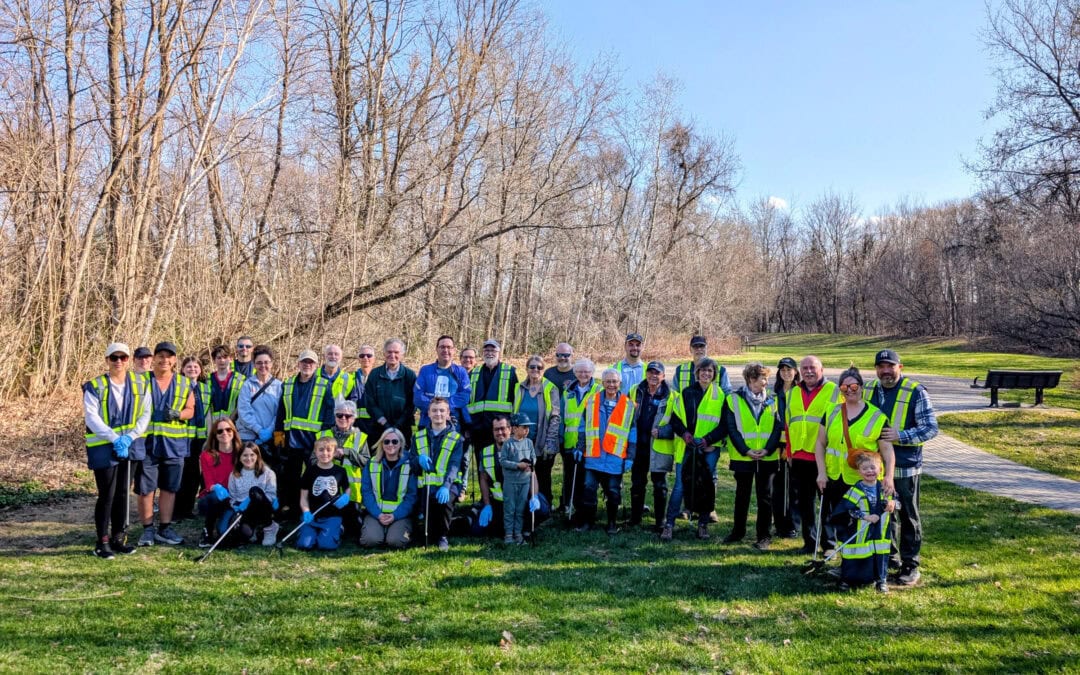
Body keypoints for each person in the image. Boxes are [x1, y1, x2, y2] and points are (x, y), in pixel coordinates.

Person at [863, 349, 936, 587]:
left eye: (890, 366)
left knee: (908, 515)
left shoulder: (915, 391)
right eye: (881, 366)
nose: (885, 371)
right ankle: (890, 557)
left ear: (900, 367)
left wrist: (901, 435)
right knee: (886, 513)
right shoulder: (869, 389)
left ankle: (910, 564)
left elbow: (930, 428)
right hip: (876, 468)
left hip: (905, 466)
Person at [814, 366, 894, 557]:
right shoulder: (832, 412)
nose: (850, 390)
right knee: (837, 517)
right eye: (844, 387)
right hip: (835, 475)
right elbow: (820, 443)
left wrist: (889, 476)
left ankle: (859, 561)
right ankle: (835, 551)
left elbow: (887, 451)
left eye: (854, 386)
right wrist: (821, 472)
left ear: (861, 387)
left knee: (858, 521)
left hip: (863, 480)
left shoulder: (877, 416)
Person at [83, 342, 151, 559]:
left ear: (129, 360)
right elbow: (91, 417)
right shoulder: (95, 386)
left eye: (123, 357)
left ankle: (118, 538)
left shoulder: (141, 383)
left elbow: (145, 413)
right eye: (114, 358)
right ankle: (101, 541)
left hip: (130, 444)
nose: (119, 361)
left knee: (123, 493)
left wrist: (130, 437)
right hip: (104, 446)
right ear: (107, 361)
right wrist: (114, 438)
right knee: (107, 494)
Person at [135, 342, 195, 547]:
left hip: (174, 444)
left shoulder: (184, 383)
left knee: (170, 488)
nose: (164, 360)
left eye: (169, 356)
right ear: (153, 358)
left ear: (175, 360)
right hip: (146, 444)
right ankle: (147, 530)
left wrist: (178, 414)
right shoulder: (140, 381)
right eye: (160, 356)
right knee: (146, 488)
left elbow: (191, 410)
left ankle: (165, 528)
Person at [722, 362, 782, 550]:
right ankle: (738, 531)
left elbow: (777, 428)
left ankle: (763, 536)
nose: (766, 382)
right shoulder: (733, 399)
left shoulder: (774, 399)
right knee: (742, 496)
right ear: (750, 379)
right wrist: (745, 450)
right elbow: (731, 428)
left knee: (765, 498)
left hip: (767, 458)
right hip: (743, 457)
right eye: (763, 378)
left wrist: (768, 450)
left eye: (767, 378)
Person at [786, 355, 841, 555]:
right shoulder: (793, 392)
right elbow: (788, 422)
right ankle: (809, 542)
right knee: (805, 503)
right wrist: (790, 451)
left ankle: (829, 545)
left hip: (822, 457)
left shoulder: (834, 391)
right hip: (799, 457)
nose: (808, 371)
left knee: (826, 502)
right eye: (805, 368)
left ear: (822, 370)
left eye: (813, 368)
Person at [668, 358, 727, 540]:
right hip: (687, 447)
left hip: (709, 449)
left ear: (714, 374)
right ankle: (669, 524)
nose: (706, 374)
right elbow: (675, 419)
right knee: (679, 486)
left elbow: (725, 425)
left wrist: (709, 440)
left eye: (710, 371)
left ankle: (703, 524)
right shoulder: (687, 393)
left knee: (706, 486)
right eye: (703, 370)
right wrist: (685, 434)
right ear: (697, 373)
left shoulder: (720, 395)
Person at [574, 368, 636, 534]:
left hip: (615, 457)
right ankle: (588, 522)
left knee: (613, 492)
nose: (611, 385)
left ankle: (611, 524)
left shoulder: (629, 405)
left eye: (614, 382)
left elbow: (632, 433)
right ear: (602, 383)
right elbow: (582, 427)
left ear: (620, 384)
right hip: (594, 456)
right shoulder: (592, 401)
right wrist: (580, 447)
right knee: (588, 488)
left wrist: (630, 456)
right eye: (608, 381)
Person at [276, 349, 335, 512]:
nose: (307, 365)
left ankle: (315, 508)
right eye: (304, 362)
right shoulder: (287, 384)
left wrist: (323, 444)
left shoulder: (325, 385)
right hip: (290, 441)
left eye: (311, 362)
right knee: (291, 478)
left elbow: (329, 416)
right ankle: (294, 509)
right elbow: (280, 416)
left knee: (314, 477)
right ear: (298, 364)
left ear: (316, 365)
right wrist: (278, 442)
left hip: (313, 442)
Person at [830, 451, 896, 593]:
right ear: (859, 472)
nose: (869, 471)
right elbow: (847, 509)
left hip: (880, 533)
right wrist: (864, 517)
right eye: (865, 469)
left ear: (880, 469)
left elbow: (899, 502)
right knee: (854, 555)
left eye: (873, 467)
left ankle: (881, 580)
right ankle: (847, 579)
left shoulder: (885, 489)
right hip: (860, 531)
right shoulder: (855, 490)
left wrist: (893, 504)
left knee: (880, 556)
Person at [628, 361, 676, 530]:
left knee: (660, 485)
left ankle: (660, 522)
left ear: (663, 376)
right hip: (638, 445)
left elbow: (678, 424)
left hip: (659, 447)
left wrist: (663, 432)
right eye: (650, 372)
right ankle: (635, 519)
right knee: (637, 483)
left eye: (657, 373)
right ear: (646, 374)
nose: (653, 376)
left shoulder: (672, 396)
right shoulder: (635, 391)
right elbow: (626, 415)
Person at [414, 398, 464, 551]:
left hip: (448, 486)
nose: (438, 414)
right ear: (428, 413)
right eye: (434, 410)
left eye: (442, 410)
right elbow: (410, 461)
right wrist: (418, 459)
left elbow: (454, 465)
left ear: (448, 414)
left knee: (444, 505)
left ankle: (443, 536)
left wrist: (446, 486)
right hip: (426, 485)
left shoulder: (457, 438)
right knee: (428, 525)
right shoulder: (418, 436)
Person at [512, 355, 561, 506]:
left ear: (543, 370)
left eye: (539, 367)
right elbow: (513, 413)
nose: (535, 370)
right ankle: (527, 504)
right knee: (524, 473)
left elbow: (555, 416)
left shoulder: (550, 388)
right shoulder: (519, 387)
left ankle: (545, 507)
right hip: (523, 440)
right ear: (526, 369)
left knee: (542, 475)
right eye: (532, 367)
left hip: (542, 440)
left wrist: (550, 442)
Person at [360, 427, 418, 549]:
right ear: (381, 444)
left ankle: (398, 532)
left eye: (395, 441)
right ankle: (381, 531)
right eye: (386, 442)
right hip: (376, 513)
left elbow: (411, 496)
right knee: (370, 541)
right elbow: (367, 492)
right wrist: (378, 514)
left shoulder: (410, 464)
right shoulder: (372, 463)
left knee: (396, 542)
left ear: (401, 443)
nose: (390, 444)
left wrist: (395, 515)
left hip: (400, 515)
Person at [466, 339, 518, 465]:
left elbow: (515, 400)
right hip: (478, 429)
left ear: (499, 352)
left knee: (502, 465)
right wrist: (468, 426)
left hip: (501, 429)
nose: (490, 353)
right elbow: (468, 402)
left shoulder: (510, 372)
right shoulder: (473, 373)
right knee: (482, 466)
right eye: (486, 350)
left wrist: (513, 426)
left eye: (493, 350)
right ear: (482, 353)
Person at [296, 437, 351, 550]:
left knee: (326, 546)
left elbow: (347, 488)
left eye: (328, 450)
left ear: (335, 452)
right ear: (315, 452)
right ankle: (308, 531)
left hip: (332, 516)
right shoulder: (310, 471)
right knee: (304, 545)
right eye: (321, 450)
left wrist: (346, 496)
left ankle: (337, 529)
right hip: (312, 517)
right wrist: (306, 512)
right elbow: (303, 497)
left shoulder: (340, 471)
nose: (324, 453)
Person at [561, 359, 600, 515]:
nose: (583, 374)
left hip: (589, 444)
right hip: (570, 442)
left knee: (587, 480)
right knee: (570, 477)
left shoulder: (598, 390)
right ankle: (571, 506)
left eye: (587, 372)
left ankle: (586, 509)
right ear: (575, 373)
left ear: (592, 373)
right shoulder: (567, 392)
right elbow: (563, 417)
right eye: (580, 372)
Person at [361, 338, 417, 444]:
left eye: (396, 352)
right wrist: (385, 423)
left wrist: (398, 424)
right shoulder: (374, 374)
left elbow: (412, 404)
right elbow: (370, 403)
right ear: (384, 353)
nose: (392, 355)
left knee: (402, 459)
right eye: (389, 352)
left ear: (402, 355)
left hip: (403, 429)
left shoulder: (409, 375)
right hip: (378, 428)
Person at [196, 418, 240, 547]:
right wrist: (217, 487)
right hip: (214, 497)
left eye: (228, 429)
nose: (224, 433)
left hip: (235, 497)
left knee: (227, 535)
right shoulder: (207, 455)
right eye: (219, 431)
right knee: (214, 498)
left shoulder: (241, 453)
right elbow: (208, 482)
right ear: (215, 435)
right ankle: (207, 531)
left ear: (234, 432)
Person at [414, 335, 472, 429]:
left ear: (454, 350)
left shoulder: (461, 372)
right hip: (427, 423)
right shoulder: (425, 370)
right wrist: (435, 411)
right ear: (436, 349)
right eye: (442, 347)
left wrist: (444, 409)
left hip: (453, 424)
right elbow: (418, 396)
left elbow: (464, 396)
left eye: (449, 347)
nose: (445, 350)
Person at [329, 400, 369, 537]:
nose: (343, 419)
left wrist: (347, 452)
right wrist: (329, 456)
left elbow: (366, 462)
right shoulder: (324, 435)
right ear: (334, 416)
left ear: (354, 418)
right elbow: (312, 461)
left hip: (352, 493)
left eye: (348, 416)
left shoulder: (361, 437)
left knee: (354, 530)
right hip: (328, 491)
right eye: (339, 415)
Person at [227, 442, 279, 546]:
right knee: (243, 535)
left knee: (254, 490)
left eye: (252, 455)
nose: (248, 458)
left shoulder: (268, 473)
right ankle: (254, 529)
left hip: (263, 508)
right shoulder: (234, 475)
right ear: (240, 457)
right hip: (245, 511)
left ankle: (269, 527)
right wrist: (237, 506)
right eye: (245, 455)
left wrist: (252, 499)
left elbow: (271, 495)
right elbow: (232, 497)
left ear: (257, 456)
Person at [175, 355, 208, 521]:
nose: (192, 369)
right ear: (182, 369)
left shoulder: (206, 388)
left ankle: (188, 509)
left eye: (196, 367)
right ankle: (176, 510)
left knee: (194, 474)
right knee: (181, 473)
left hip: (199, 438)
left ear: (200, 370)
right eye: (188, 367)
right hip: (181, 436)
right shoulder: (178, 386)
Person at [500, 413, 540, 544]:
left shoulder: (529, 443)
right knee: (509, 508)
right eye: (524, 427)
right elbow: (503, 461)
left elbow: (534, 457)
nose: (527, 430)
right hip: (511, 482)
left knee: (520, 509)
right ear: (514, 428)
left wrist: (531, 463)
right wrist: (518, 465)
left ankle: (518, 534)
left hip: (525, 481)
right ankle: (508, 535)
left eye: (528, 427)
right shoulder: (508, 444)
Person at [772, 357, 800, 538]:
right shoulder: (774, 393)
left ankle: (793, 523)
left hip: (796, 444)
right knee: (778, 484)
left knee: (795, 486)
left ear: (796, 372)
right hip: (778, 445)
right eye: (782, 369)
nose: (786, 372)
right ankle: (780, 522)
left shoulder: (800, 392)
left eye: (789, 369)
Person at [236, 345, 282, 450]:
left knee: (275, 465)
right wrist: (258, 430)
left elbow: (280, 412)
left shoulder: (279, 386)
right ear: (254, 364)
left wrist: (270, 430)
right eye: (259, 363)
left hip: (275, 435)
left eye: (266, 362)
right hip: (249, 436)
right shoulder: (247, 385)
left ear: (271, 364)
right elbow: (243, 411)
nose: (263, 365)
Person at [476, 415, 511, 537]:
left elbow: (531, 476)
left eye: (503, 428)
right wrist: (487, 505)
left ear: (509, 429)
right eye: (496, 429)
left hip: (518, 502)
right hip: (497, 502)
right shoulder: (486, 452)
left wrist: (533, 497)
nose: (500, 432)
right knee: (478, 530)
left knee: (542, 509)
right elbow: (483, 479)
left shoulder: (521, 449)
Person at [354, 344, 377, 426]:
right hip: (355, 426)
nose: (365, 358)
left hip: (375, 425)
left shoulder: (380, 379)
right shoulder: (351, 378)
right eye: (362, 355)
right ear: (359, 359)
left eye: (369, 355)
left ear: (374, 359)